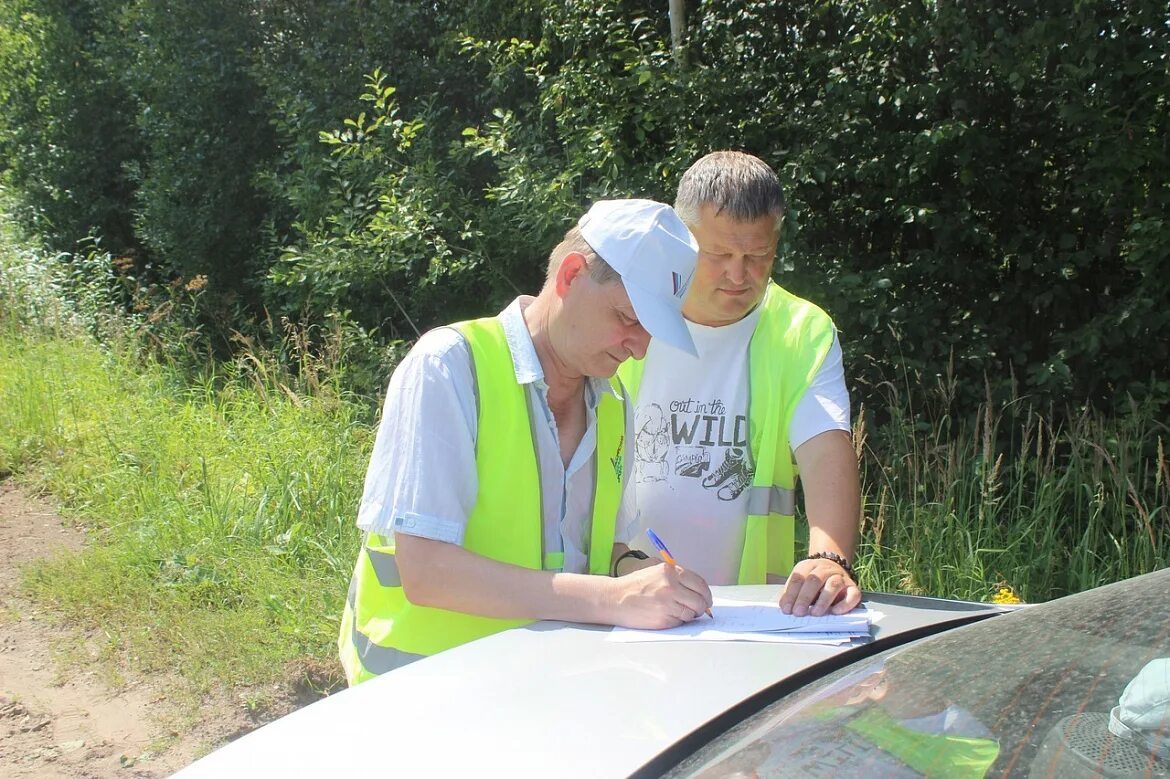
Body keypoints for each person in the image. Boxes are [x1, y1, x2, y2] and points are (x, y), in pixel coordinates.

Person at [338, 199, 714, 686]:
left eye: (651, 331)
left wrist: (637, 571)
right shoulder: (450, 367)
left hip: (537, 696)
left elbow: (599, 548)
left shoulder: (616, 403)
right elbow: (426, 570)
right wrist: (614, 598)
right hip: (420, 702)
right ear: (571, 275)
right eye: (628, 317)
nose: (639, 346)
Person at [615, 151, 862, 617]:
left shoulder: (801, 331)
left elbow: (825, 447)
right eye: (719, 254)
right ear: (679, 239)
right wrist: (620, 565)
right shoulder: (628, 310)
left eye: (757, 256)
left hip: (749, 613)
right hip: (623, 597)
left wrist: (828, 559)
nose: (738, 274)